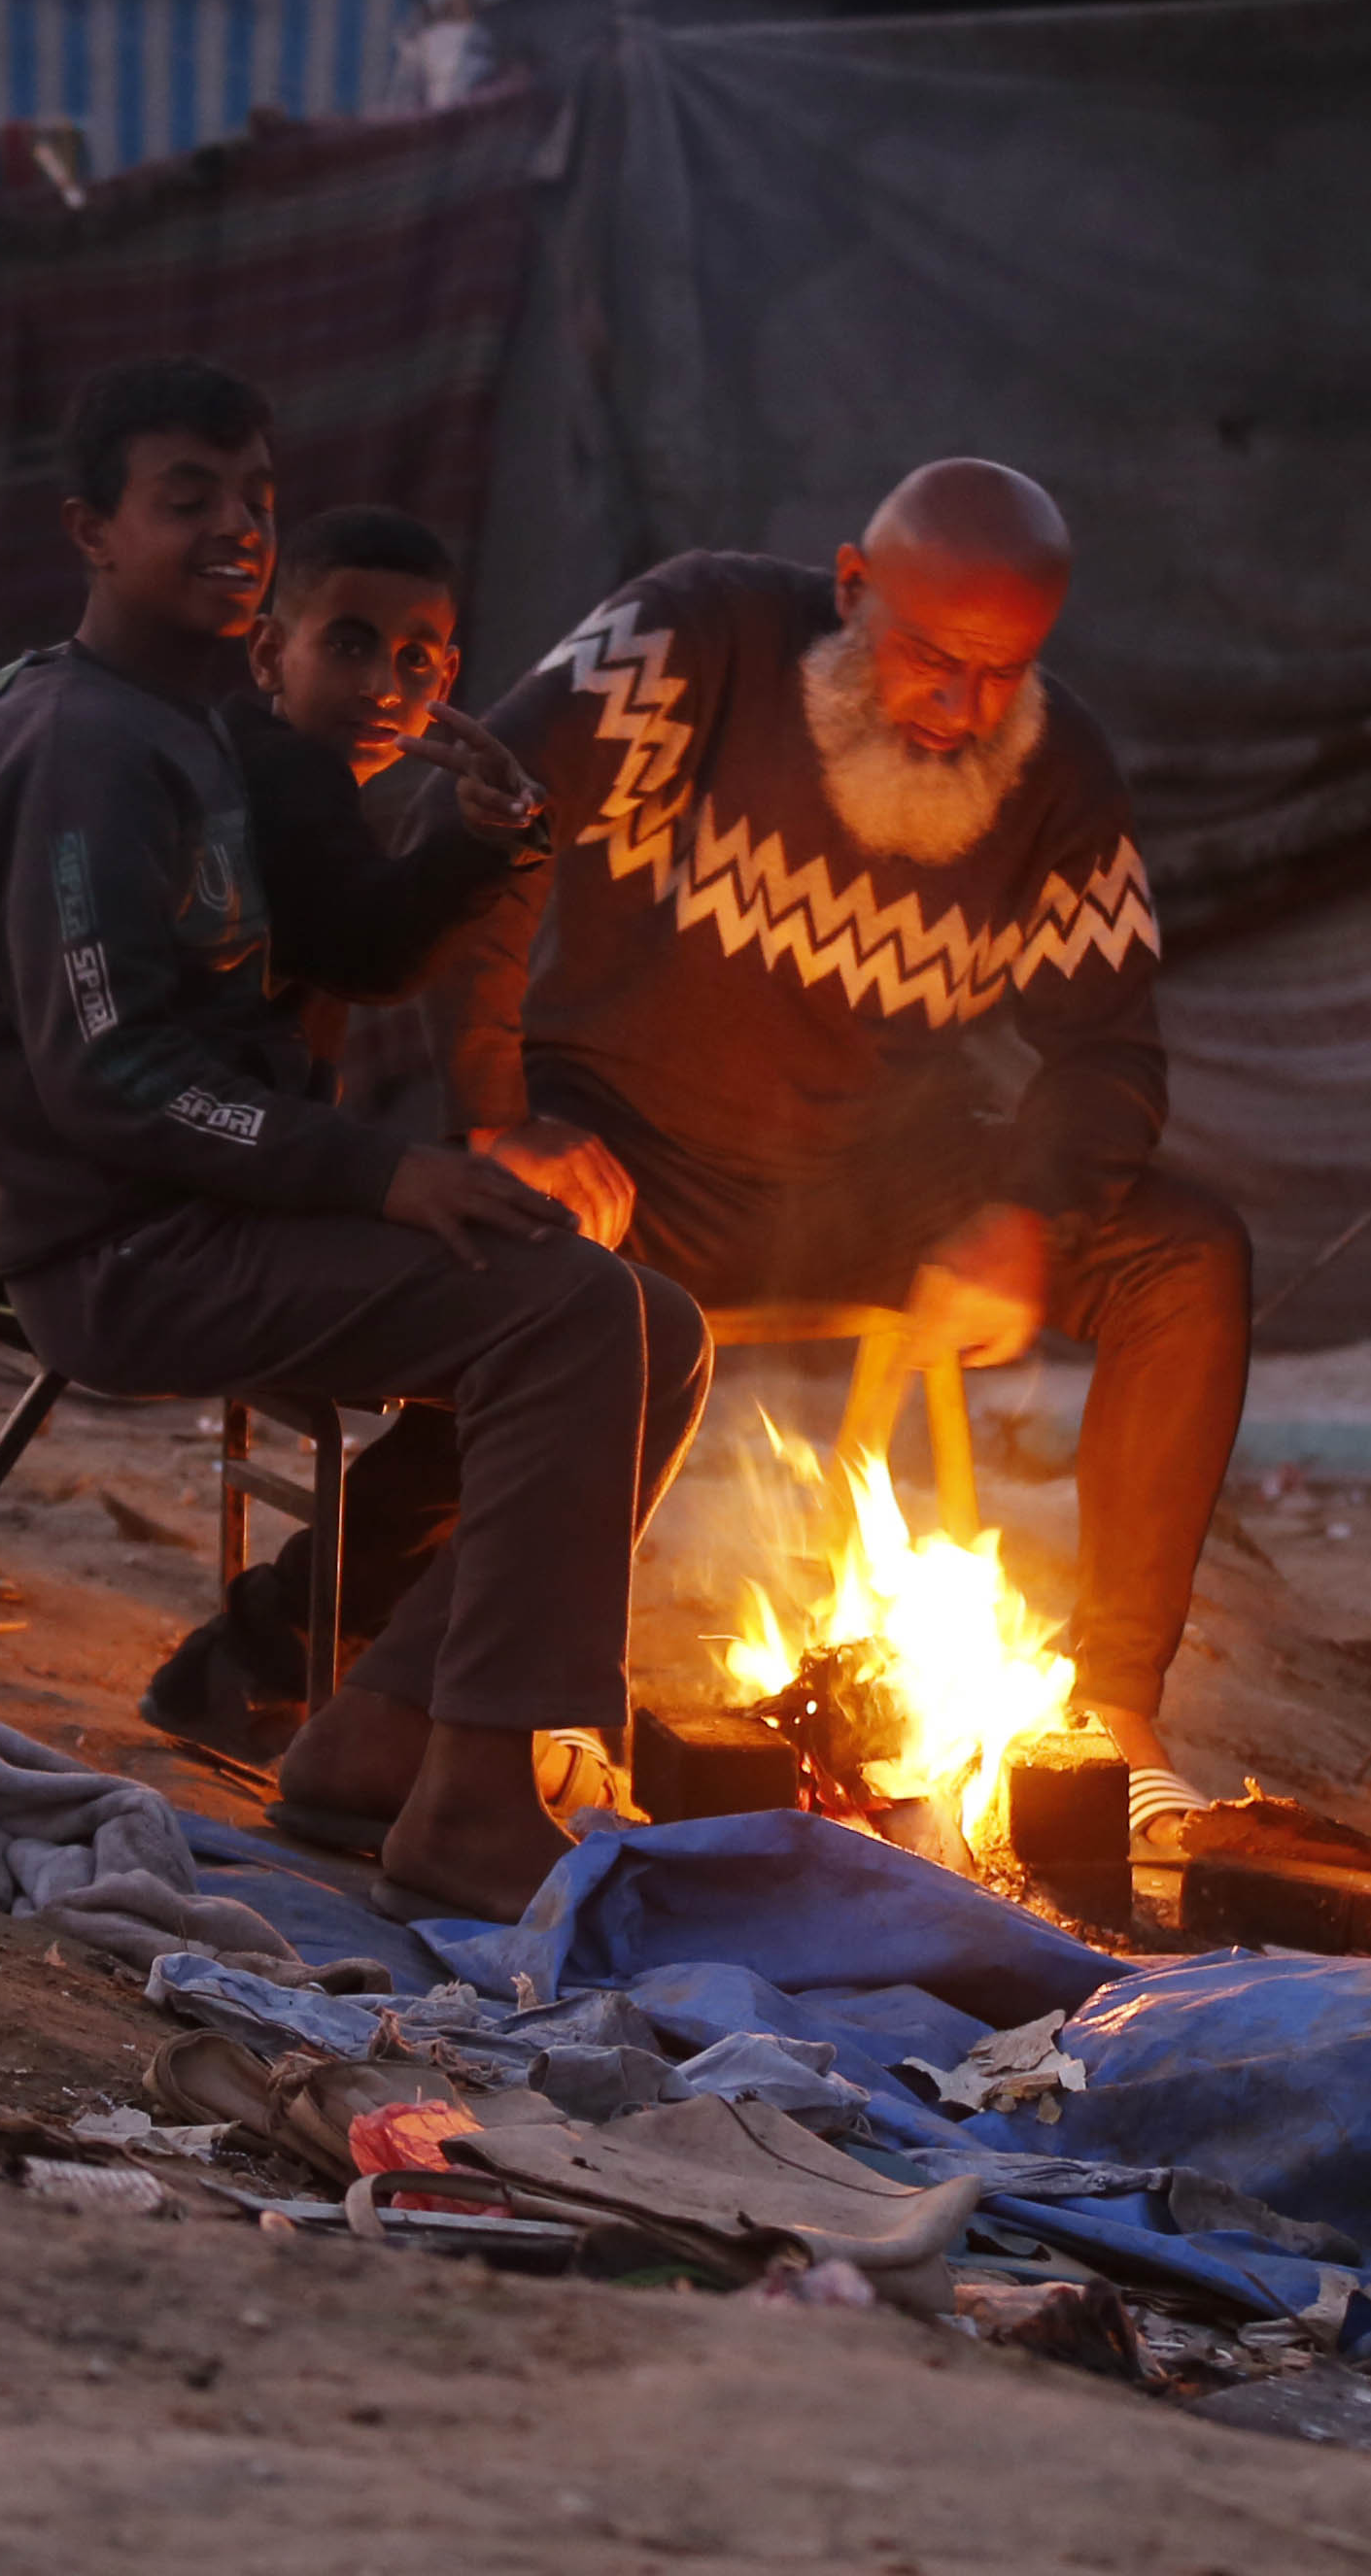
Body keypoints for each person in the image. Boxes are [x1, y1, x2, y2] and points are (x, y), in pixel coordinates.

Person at [0, 359, 706, 1919]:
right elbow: (113, 1072)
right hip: (123, 1249)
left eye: (257, 500)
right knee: (568, 1311)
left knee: (655, 1324)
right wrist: (384, 1171)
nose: (236, 530)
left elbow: (334, 947)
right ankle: (482, 1800)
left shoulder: (182, 727)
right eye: (186, 500)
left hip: (201, 1209)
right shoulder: (83, 750)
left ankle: (380, 1730)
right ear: (94, 532)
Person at [437, 461, 1251, 1826]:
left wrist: (1031, 1215)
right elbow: (486, 811)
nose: (961, 707)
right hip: (630, 1152)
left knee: (1187, 1256)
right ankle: (483, 1687)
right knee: (536, 1275)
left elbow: (1111, 1051)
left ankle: (1110, 1717)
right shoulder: (693, 640)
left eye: (1003, 672)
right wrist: (491, 1114)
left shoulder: (1054, 772)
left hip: (889, 1181)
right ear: (853, 586)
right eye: (933, 656)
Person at [137, 504, 553, 1759]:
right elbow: (371, 951)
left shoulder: (257, 760)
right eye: (351, 647)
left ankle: (282, 1648)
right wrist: (490, 839)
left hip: (192, 1184)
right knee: (547, 1320)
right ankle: (282, 1652)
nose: (386, 685)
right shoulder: (280, 773)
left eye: (419, 661)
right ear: (272, 656)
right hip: (192, 1226)